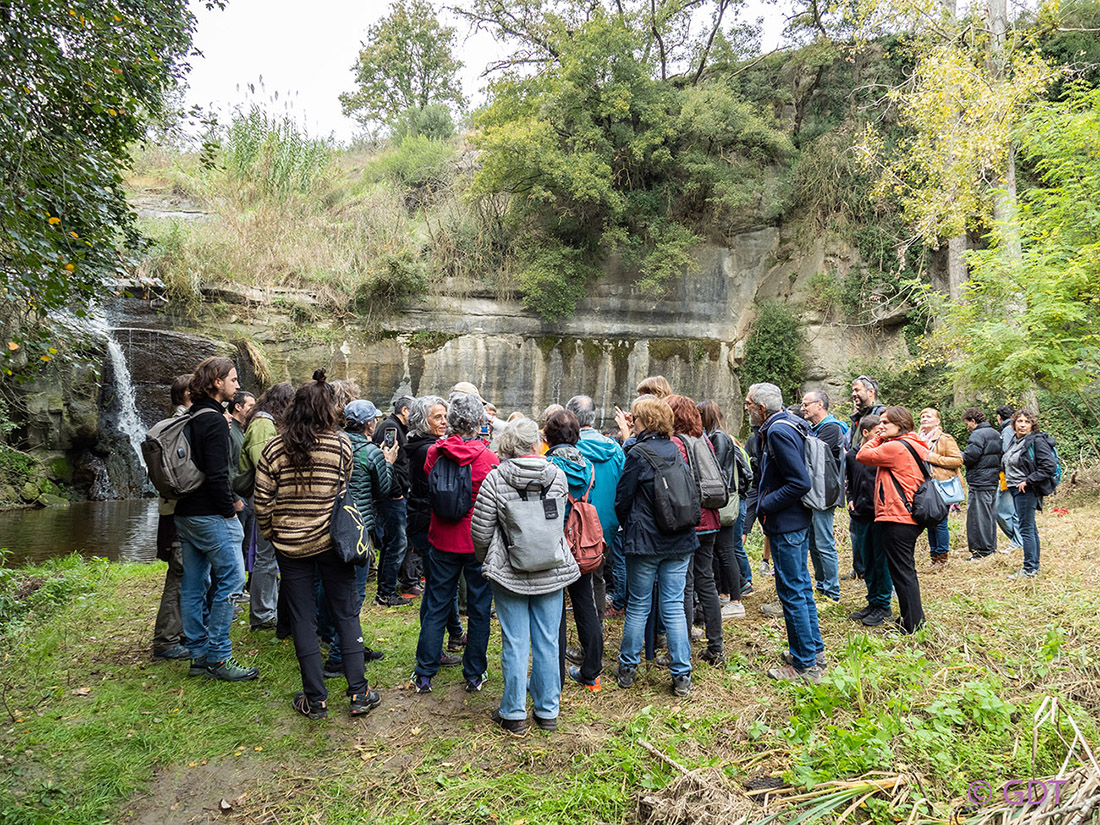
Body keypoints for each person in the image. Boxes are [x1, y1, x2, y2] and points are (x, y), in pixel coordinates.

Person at [253, 370, 380, 719]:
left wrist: (271, 533)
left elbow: (262, 500)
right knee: (345, 613)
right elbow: (343, 488)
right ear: (329, 410)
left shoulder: (273, 449)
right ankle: (358, 693)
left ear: (294, 408)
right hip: (331, 542)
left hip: (290, 547)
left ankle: (315, 698)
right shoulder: (340, 445)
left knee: (303, 619)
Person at [473, 417, 580, 734]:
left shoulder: (495, 479)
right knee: (548, 641)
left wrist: (490, 559)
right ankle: (548, 711)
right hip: (550, 567)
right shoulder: (557, 476)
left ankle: (514, 713)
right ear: (537, 443)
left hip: (509, 571)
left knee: (515, 642)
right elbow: (556, 524)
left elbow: (480, 531)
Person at [175, 357, 258, 681]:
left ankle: (197, 655)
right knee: (234, 580)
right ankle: (220, 657)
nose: (237, 386)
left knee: (194, 585)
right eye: (233, 380)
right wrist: (230, 508)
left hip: (186, 513)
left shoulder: (192, 414)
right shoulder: (211, 420)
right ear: (215, 382)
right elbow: (216, 473)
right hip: (210, 515)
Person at [412, 393, 500, 694]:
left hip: (442, 538)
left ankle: (424, 672)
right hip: (477, 541)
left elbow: (428, 477)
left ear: (451, 421)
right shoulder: (488, 458)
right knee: (478, 608)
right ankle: (474, 673)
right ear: (479, 422)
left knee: (437, 604)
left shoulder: (435, 453)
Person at [614, 396, 697, 697]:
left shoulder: (637, 454)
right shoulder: (677, 450)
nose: (631, 424)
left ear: (646, 422)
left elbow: (623, 498)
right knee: (674, 606)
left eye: (634, 419)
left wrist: (630, 524)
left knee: (638, 605)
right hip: (679, 538)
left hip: (646, 542)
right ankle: (682, 674)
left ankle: (627, 669)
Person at [747, 383, 825, 682]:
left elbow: (799, 482)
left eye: (749, 403)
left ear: (761, 408)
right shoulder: (791, 422)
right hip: (796, 520)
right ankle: (812, 651)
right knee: (801, 588)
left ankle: (805, 666)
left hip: (786, 523)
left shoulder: (779, 431)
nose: (746, 407)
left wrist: (766, 503)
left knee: (792, 592)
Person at [320, 399, 397, 676]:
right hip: (358, 528)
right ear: (369, 423)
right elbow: (385, 489)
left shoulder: (332, 444)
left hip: (329, 525)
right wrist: (388, 462)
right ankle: (340, 656)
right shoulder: (370, 451)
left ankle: (339, 640)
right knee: (355, 593)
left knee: (331, 588)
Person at [544, 409, 605, 692]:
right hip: (582, 545)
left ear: (548, 436)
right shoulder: (587, 465)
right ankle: (592, 672)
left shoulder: (548, 466)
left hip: (556, 543)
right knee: (585, 605)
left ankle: (553, 675)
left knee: (555, 610)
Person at [857, 406, 929, 634]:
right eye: (880, 423)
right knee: (904, 571)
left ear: (900, 425)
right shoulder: (913, 443)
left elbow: (862, 455)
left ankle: (913, 625)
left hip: (898, 516)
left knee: (903, 572)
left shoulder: (896, 447)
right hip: (905, 516)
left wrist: (877, 437)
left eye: (886, 423)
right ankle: (911, 619)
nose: (881, 426)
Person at [667, 394, 725, 666]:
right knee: (707, 582)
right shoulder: (704, 440)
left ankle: (683, 648)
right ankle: (716, 646)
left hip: (691, 520)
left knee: (686, 585)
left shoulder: (677, 443)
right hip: (712, 518)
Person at [406, 396, 465, 659]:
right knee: (436, 587)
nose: (444, 421)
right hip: (426, 519)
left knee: (442, 583)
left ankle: (454, 633)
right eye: (437, 417)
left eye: (445, 416)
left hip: (423, 517)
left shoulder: (423, 444)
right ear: (423, 421)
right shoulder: (427, 450)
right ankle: (432, 650)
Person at [239, 381, 295, 632]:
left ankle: (269, 608)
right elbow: (265, 464)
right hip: (264, 498)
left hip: (270, 497)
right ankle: (262, 614)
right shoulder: (263, 424)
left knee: (271, 556)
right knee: (266, 557)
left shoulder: (267, 422)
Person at [565, 395, 626, 619]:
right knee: (597, 575)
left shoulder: (569, 450)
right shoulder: (614, 448)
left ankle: (588, 635)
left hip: (576, 525)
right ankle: (596, 626)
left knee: (579, 581)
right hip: (607, 525)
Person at [151, 374, 194, 662]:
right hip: (179, 513)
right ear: (189, 394)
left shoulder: (165, 425)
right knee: (179, 575)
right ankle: (166, 640)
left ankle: (179, 633)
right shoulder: (180, 427)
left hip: (171, 512)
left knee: (185, 574)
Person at [697, 400, 747, 616]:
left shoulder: (718, 437)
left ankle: (736, 600)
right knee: (721, 551)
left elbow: (715, 470)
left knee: (726, 551)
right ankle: (726, 594)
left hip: (722, 502)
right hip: (722, 499)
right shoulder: (719, 435)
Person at [846, 414, 893, 626]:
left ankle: (884, 605)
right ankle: (872, 601)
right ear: (865, 433)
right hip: (860, 514)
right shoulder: (853, 455)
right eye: (877, 432)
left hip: (881, 514)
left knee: (880, 560)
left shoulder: (884, 453)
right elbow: (849, 481)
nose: (881, 435)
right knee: (866, 561)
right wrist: (851, 499)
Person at [799, 390, 846, 600]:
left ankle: (832, 592)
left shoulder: (832, 428)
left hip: (824, 493)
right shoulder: (814, 428)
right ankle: (821, 585)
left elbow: (814, 457)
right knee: (813, 542)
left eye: (806, 404)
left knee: (824, 542)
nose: (803, 408)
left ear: (819, 405)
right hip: (812, 493)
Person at [1002, 410, 1057, 579]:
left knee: (1026, 529)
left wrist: (1028, 481)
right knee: (1030, 528)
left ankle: (1030, 569)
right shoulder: (1015, 440)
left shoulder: (1036, 440)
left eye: (1027, 421)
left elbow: (1049, 467)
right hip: (1015, 488)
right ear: (1014, 424)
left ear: (1032, 424)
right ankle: (1033, 566)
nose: (1023, 424)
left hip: (1026, 490)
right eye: (1019, 421)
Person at [373, 397, 413, 606]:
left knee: (394, 542)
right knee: (395, 542)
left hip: (394, 494)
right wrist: (397, 491)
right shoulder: (391, 428)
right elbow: (388, 459)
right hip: (392, 497)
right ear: (405, 410)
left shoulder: (398, 428)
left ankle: (386, 589)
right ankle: (386, 593)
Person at [918, 408, 963, 571]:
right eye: (922, 416)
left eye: (928, 416)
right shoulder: (917, 439)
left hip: (942, 485)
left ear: (937, 421)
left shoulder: (944, 439)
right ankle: (934, 556)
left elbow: (958, 460)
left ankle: (942, 558)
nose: (924, 419)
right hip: (925, 486)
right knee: (930, 520)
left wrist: (932, 458)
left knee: (940, 522)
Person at [961, 408, 1002, 561]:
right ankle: (990, 548)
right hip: (992, 480)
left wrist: (956, 455)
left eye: (968, 424)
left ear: (973, 421)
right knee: (989, 515)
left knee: (978, 517)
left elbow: (971, 456)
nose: (967, 427)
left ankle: (981, 551)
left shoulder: (978, 434)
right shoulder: (995, 432)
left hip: (980, 481)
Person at [995, 405, 1024, 552]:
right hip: (1012, 475)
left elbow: (1007, 452)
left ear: (999, 417)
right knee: (1009, 510)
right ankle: (1018, 540)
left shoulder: (1007, 430)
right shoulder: (1011, 429)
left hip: (1009, 476)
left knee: (1003, 511)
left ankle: (1018, 541)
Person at [849, 376, 886, 449]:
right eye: (853, 391)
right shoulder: (858, 416)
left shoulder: (882, 413)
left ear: (871, 392)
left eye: (857, 390)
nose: (853, 394)